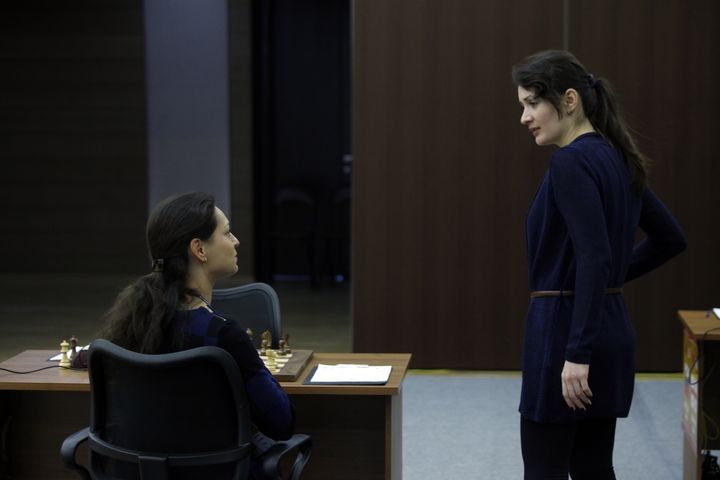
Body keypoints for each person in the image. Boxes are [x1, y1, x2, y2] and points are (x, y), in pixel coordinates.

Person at [512, 50, 686, 479]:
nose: (525, 117)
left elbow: (595, 256)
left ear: (570, 100)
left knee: (544, 471)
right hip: (607, 331)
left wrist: (576, 352)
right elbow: (670, 239)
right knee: (593, 469)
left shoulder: (569, 161)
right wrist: (608, 278)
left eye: (533, 103)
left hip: (564, 336)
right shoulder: (618, 159)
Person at [100, 192, 294, 477]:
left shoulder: (130, 325)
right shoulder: (222, 336)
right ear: (199, 249)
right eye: (227, 233)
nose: (236, 241)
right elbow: (281, 421)